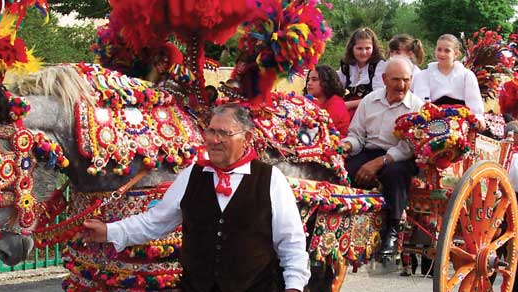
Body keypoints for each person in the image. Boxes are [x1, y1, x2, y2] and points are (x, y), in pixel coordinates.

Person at [82, 103, 310, 292]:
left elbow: (291, 242)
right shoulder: (192, 175)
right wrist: (108, 231)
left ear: (247, 137)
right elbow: (155, 222)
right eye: (211, 131)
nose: (214, 139)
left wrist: (294, 287)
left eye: (224, 133)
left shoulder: (270, 179)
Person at [341, 56, 423, 256]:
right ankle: (344, 222)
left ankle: (393, 232)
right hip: (369, 150)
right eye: (396, 79)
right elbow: (357, 135)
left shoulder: (417, 107)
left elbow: (409, 147)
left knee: (395, 174)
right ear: (385, 79)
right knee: (343, 170)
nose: (401, 85)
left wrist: (380, 162)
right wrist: (345, 146)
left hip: (399, 156)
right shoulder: (370, 100)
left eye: (406, 79)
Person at [412, 34, 485, 119]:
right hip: (432, 121)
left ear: (456, 54)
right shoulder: (424, 75)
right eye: (439, 50)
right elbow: (420, 104)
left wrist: (476, 119)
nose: (442, 54)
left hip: (461, 120)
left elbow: (474, 105)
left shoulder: (467, 75)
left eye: (447, 51)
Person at [337, 27, 386, 118]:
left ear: (373, 48)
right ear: (352, 48)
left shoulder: (379, 65)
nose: (364, 52)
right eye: (359, 48)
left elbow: (378, 95)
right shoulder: (346, 65)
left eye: (368, 48)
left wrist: (350, 104)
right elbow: (338, 89)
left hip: (370, 110)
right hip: (346, 110)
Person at [304, 65, 350, 137]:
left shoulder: (337, 103)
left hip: (335, 143)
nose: (309, 83)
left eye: (314, 79)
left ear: (327, 82)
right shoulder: (309, 100)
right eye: (308, 80)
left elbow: (323, 125)